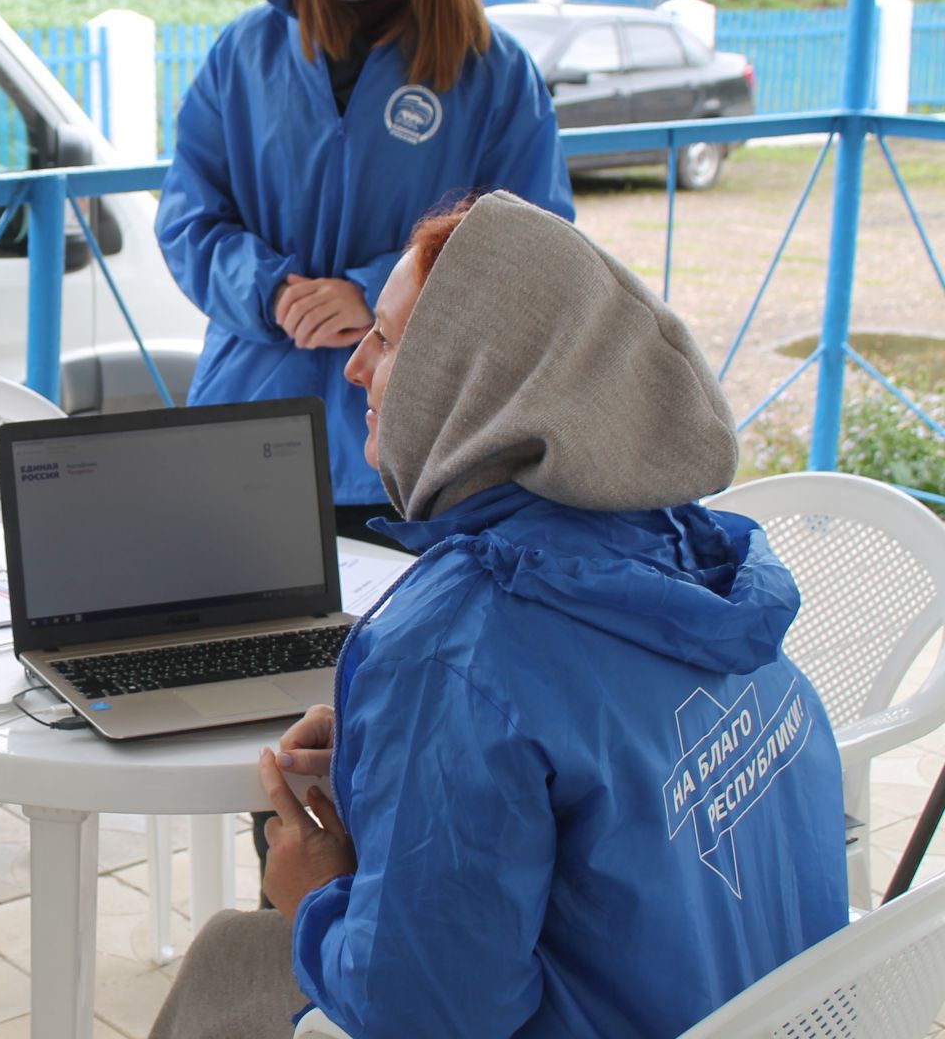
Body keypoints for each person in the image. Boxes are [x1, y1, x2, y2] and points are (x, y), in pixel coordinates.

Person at [149, 191, 848, 1039]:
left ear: (478, 376)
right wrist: (400, 755)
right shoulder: (704, 561)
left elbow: (427, 1018)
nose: (356, 365)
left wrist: (312, 901)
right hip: (771, 1013)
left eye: (390, 338)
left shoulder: (452, 653)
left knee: (230, 952)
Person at [155, 0, 575, 546]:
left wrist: (379, 296)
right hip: (251, 420)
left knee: (396, 653)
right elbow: (188, 217)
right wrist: (271, 289)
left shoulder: (495, 75)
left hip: (420, 442)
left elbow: (534, 250)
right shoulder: (244, 54)